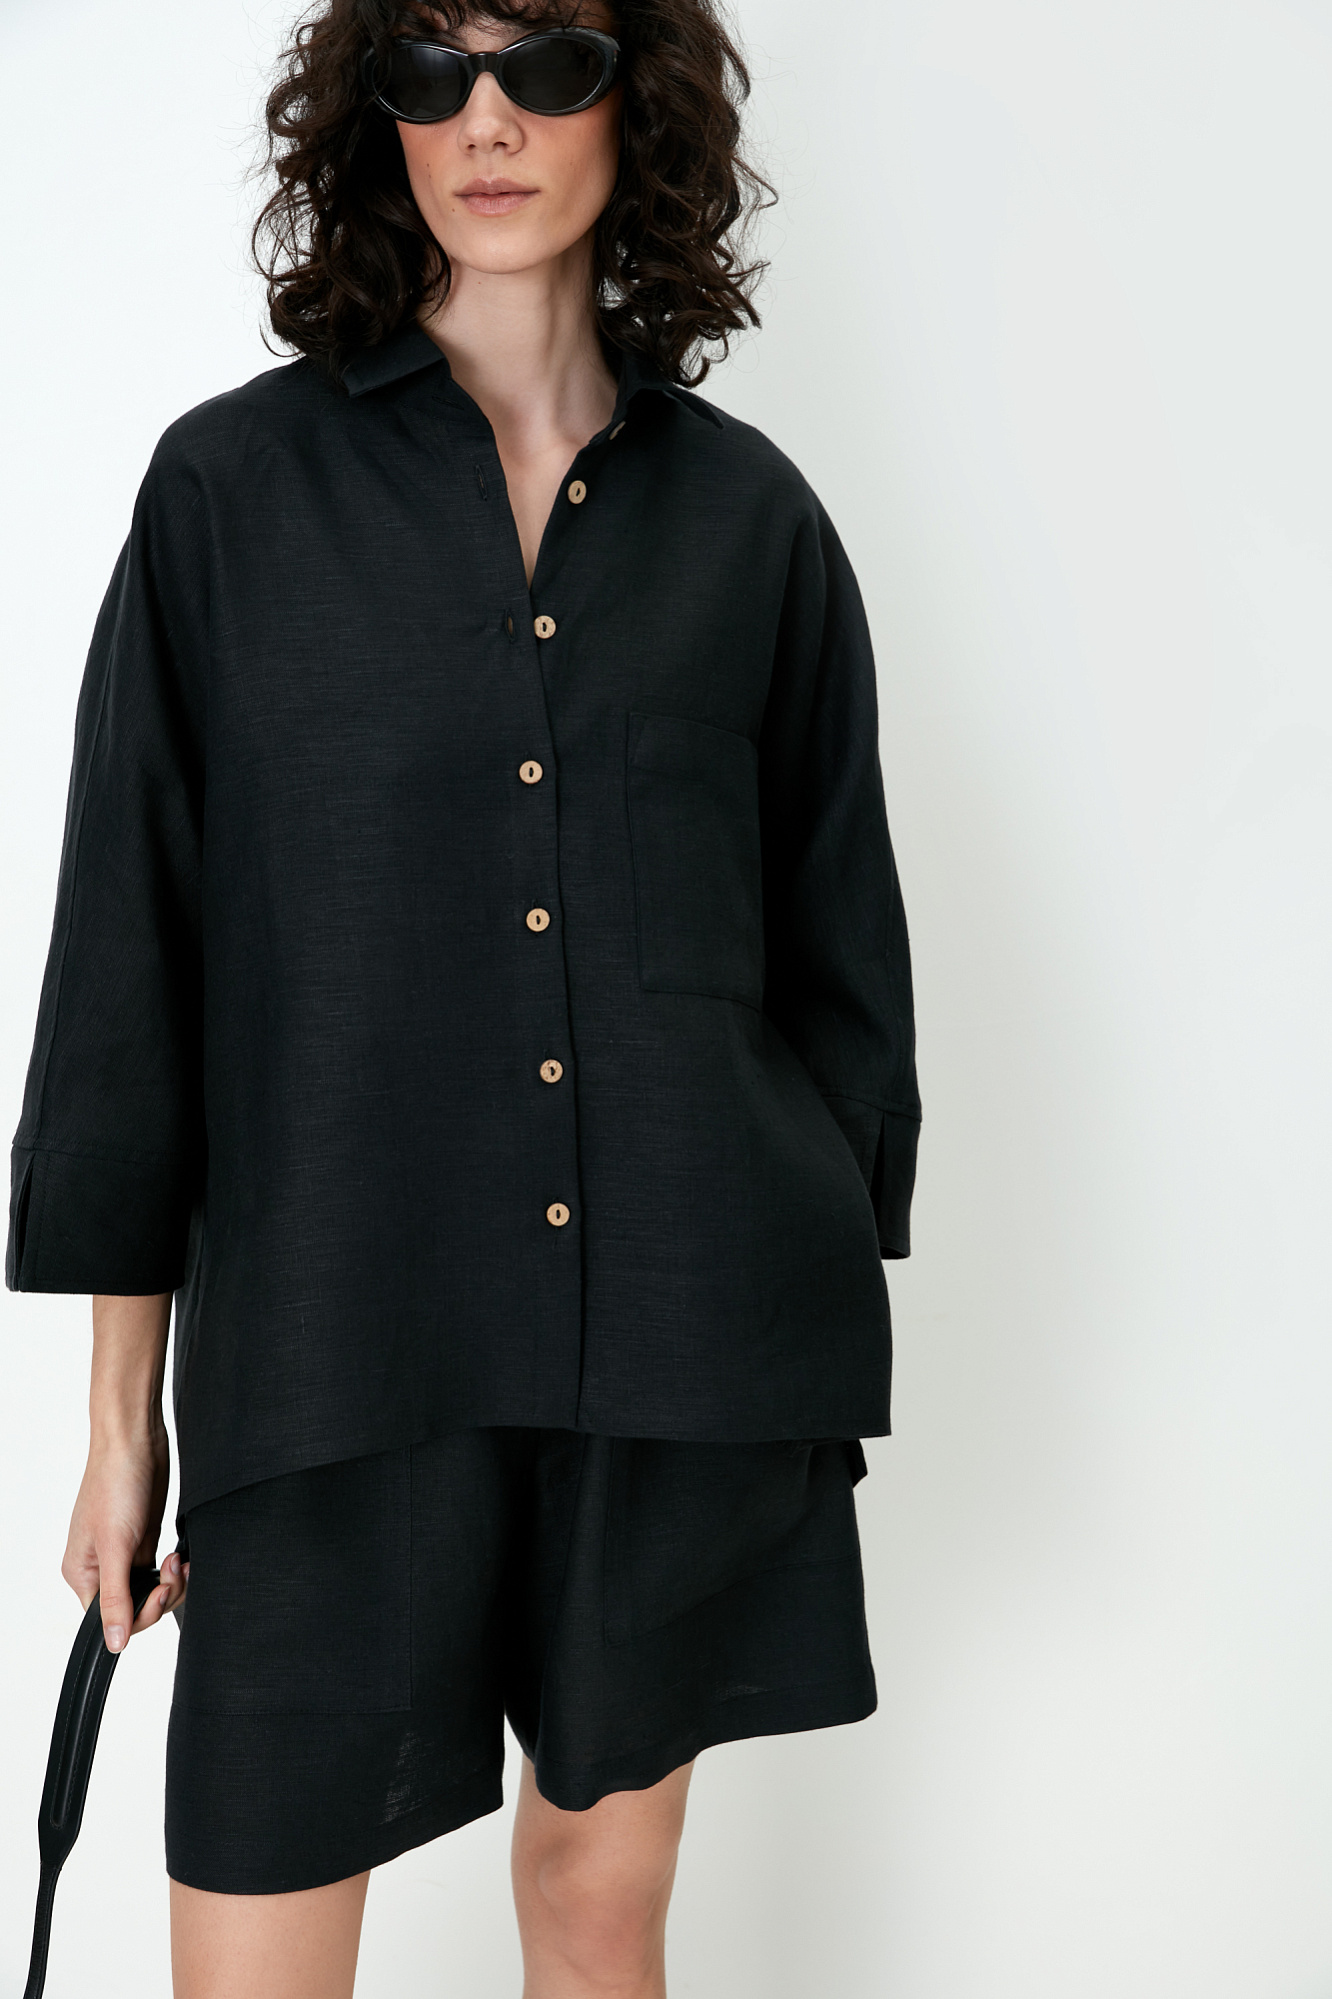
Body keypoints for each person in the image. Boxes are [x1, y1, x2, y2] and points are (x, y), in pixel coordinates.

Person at [5, 0, 921, 1992]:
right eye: (432, 71)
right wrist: (118, 1418)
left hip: (673, 1342)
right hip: (339, 1334)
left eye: (545, 64)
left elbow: (841, 958)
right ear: (379, 123)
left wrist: (811, 1269)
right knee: (254, 1931)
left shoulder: (750, 525)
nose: (485, 119)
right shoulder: (231, 499)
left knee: (598, 1906)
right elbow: (129, 966)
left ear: (636, 108)